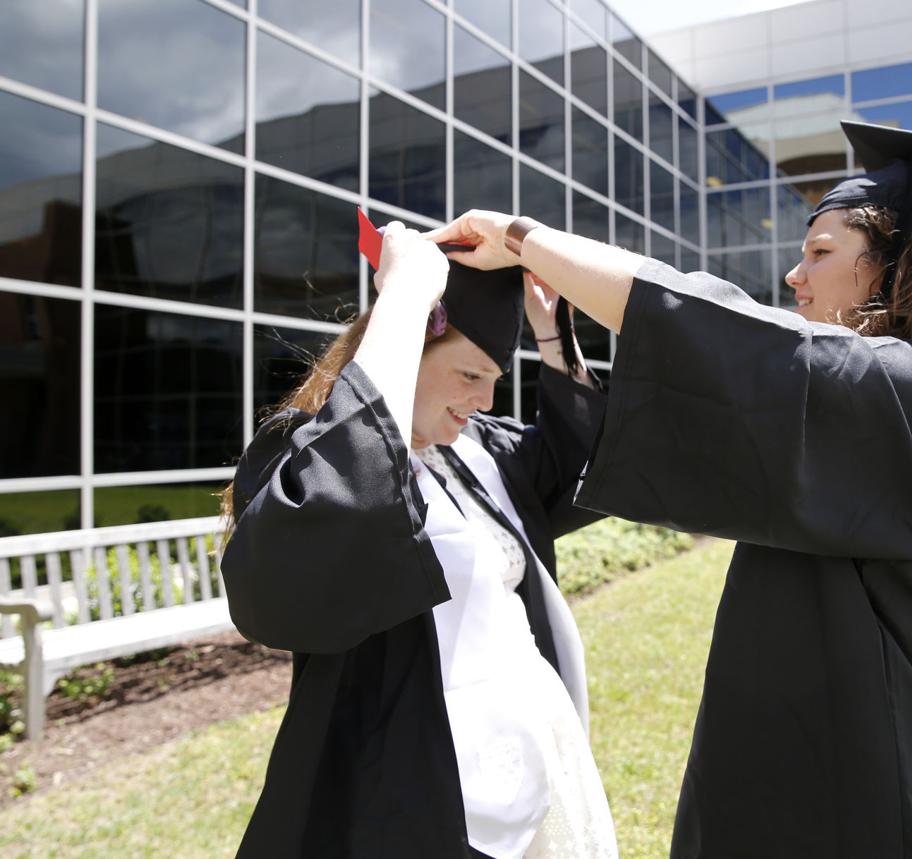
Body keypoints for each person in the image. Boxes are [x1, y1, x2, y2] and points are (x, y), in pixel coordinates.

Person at [426, 122, 912, 858]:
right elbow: (708, 402)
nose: (794, 276)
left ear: (897, 269)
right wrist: (557, 341)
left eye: (820, 253)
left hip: (880, 782)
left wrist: (520, 235)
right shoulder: (874, 404)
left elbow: (714, 331)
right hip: (794, 758)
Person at [219, 225, 618, 859]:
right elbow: (330, 530)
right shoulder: (312, 460)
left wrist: (553, 333)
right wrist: (403, 296)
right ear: (409, 348)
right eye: (469, 373)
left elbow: (585, 466)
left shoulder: (477, 453)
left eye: (494, 378)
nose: (486, 399)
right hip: (414, 783)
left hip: (534, 756)